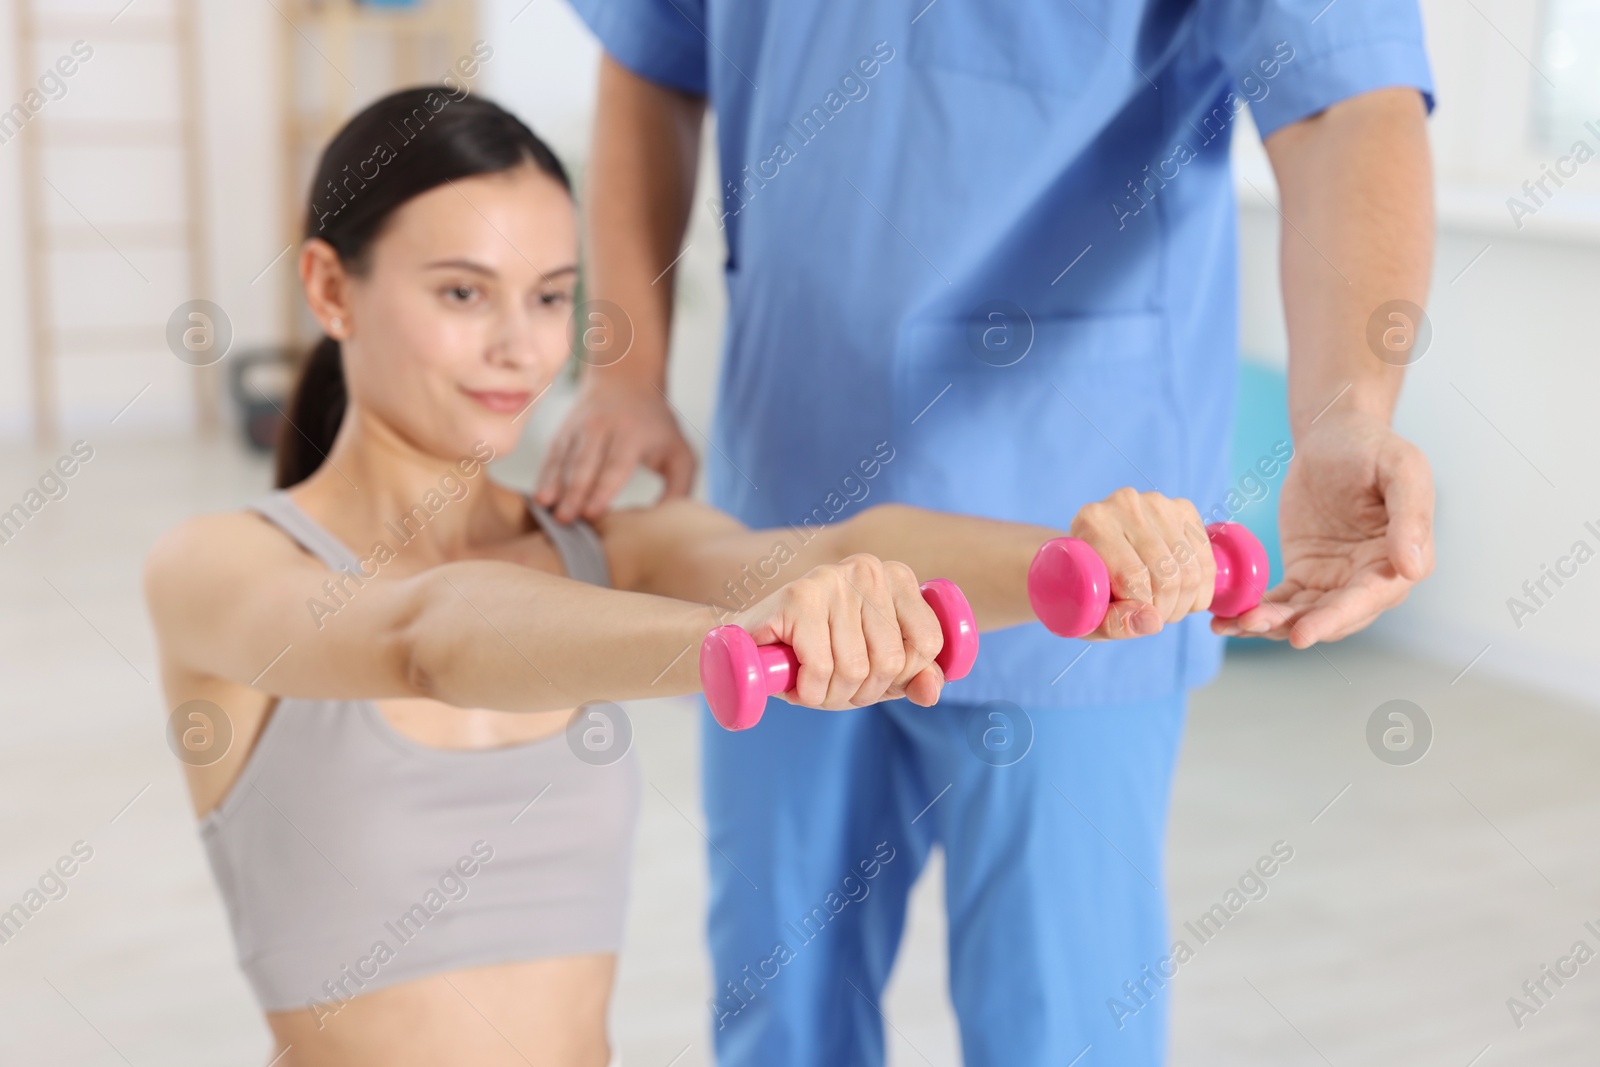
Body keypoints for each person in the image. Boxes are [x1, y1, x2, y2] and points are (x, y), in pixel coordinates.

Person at [144, 88, 1229, 1067]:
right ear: (331, 287)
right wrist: (724, 636)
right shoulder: (220, 567)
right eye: (465, 294)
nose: (520, 348)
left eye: (549, 296)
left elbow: (831, 549)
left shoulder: (606, 550)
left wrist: (1076, 563)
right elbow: (425, 636)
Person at [543, 3, 1438, 1064]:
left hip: (1077, 524)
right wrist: (623, 372)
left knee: (1058, 1025)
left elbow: (1340, 97)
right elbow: (651, 58)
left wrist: (1345, 408)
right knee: (777, 1014)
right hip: (784, 500)